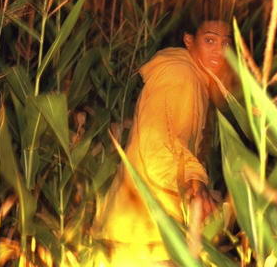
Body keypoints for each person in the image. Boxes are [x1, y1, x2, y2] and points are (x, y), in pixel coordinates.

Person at [90, 20, 233, 266]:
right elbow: (157, 139)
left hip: (143, 227)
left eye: (225, 43)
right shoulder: (181, 75)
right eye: (210, 41)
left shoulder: (194, 77)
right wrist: (194, 183)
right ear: (189, 40)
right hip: (148, 231)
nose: (219, 51)